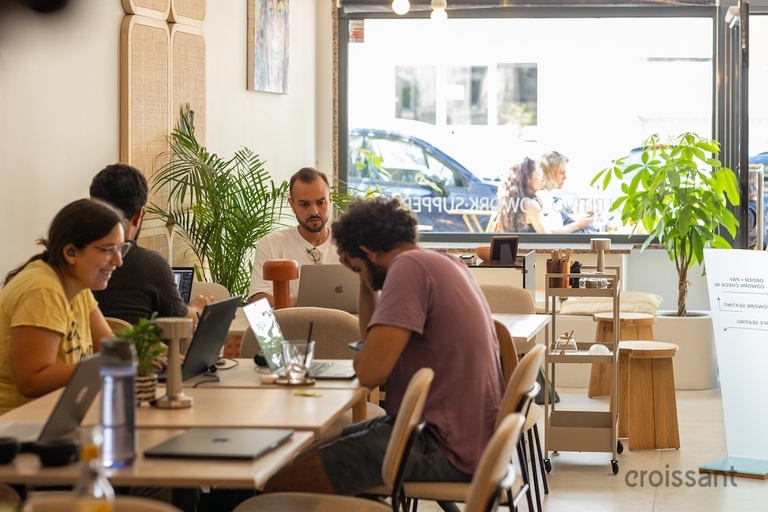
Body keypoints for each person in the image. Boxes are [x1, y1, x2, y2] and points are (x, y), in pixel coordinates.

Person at [261, 197, 504, 496]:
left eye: (358, 265)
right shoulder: (440, 260)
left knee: (278, 485)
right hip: (463, 438)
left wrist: (363, 271)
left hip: (442, 446)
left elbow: (370, 373)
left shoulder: (409, 270)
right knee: (315, 452)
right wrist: (364, 277)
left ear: (368, 251)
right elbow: (371, 339)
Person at [0, 199, 126, 414]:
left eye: (121, 249)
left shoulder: (77, 286)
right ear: (71, 253)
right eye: (108, 250)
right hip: (16, 428)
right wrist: (110, 365)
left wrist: (146, 353)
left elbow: (109, 346)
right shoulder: (42, 290)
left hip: (53, 416)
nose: (118, 260)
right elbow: (31, 381)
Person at [89, 163, 213, 326]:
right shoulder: (152, 266)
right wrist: (196, 309)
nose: (116, 260)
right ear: (139, 214)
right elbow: (180, 323)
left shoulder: (76, 266)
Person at [247, 167, 340, 306]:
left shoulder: (349, 245)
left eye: (320, 202)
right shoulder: (272, 243)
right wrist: (294, 304)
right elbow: (257, 298)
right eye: (304, 204)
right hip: (289, 325)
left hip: (342, 325)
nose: (314, 211)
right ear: (292, 205)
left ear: (330, 199)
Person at [537, 151, 593, 234]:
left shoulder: (546, 194)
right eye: (561, 173)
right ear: (549, 173)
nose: (565, 177)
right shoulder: (544, 195)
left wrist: (579, 221)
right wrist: (579, 224)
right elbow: (552, 232)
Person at [497, 157, 547, 233]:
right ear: (527, 178)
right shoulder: (530, 205)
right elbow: (548, 238)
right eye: (538, 174)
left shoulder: (509, 204)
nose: (541, 178)